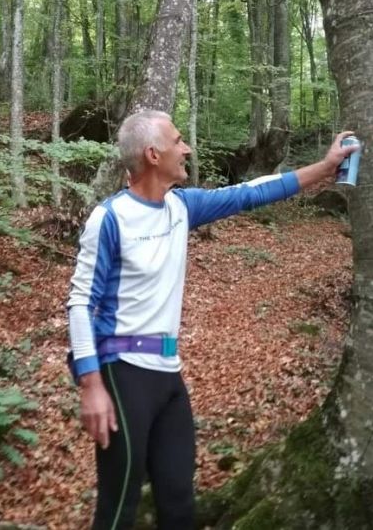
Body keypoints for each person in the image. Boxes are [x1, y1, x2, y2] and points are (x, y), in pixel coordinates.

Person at [66, 110, 358, 529]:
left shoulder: (182, 207)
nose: (186, 148)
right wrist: (91, 385)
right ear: (152, 154)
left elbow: (251, 193)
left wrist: (325, 169)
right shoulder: (109, 218)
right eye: (178, 140)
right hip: (121, 375)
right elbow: (80, 304)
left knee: (180, 504)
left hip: (168, 376)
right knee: (118, 511)